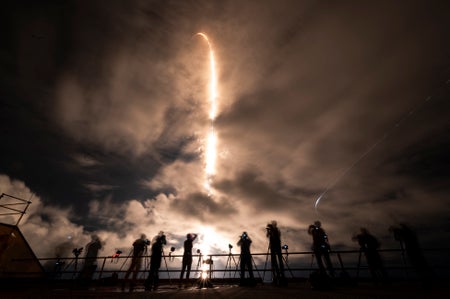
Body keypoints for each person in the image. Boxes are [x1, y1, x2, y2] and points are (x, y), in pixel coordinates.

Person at [266, 221, 286, 285]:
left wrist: (272, 231)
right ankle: (276, 276)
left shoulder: (277, 230)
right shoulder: (271, 231)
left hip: (277, 247)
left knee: (280, 261)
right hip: (273, 248)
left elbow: (276, 236)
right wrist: (268, 231)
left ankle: (282, 275)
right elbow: (267, 236)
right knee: (274, 262)